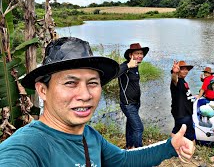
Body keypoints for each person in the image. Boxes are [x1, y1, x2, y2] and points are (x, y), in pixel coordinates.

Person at [0, 37, 195, 167]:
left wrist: (170, 146)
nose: (85, 95)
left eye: (93, 83)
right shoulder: (27, 147)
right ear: (43, 90)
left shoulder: (90, 136)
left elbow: (123, 160)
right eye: (70, 83)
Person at [118, 43, 148, 149]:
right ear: (131, 55)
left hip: (135, 103)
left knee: (131, 126)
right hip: (128, 104)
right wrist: (127, 66)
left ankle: (129, 147)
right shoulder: (126, 66)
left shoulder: (135, 66)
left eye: (141, 54)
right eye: (137, 53)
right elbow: (114, 73)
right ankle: (138, 151)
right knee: (139, 128)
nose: (140, 55)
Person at [170, 60, 196, 142]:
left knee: (177, 129)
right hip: (182, 112)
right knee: (190, 133)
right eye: (182, 69)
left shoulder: (183, 81)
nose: (185, 71)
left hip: (183, 111)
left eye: (186, 69)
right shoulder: (177, 81)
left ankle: (172, 145)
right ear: (178, 71)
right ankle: (190, 150)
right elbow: (174, 79)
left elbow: (185, 94)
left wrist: (193, 97)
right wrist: (174, 73)